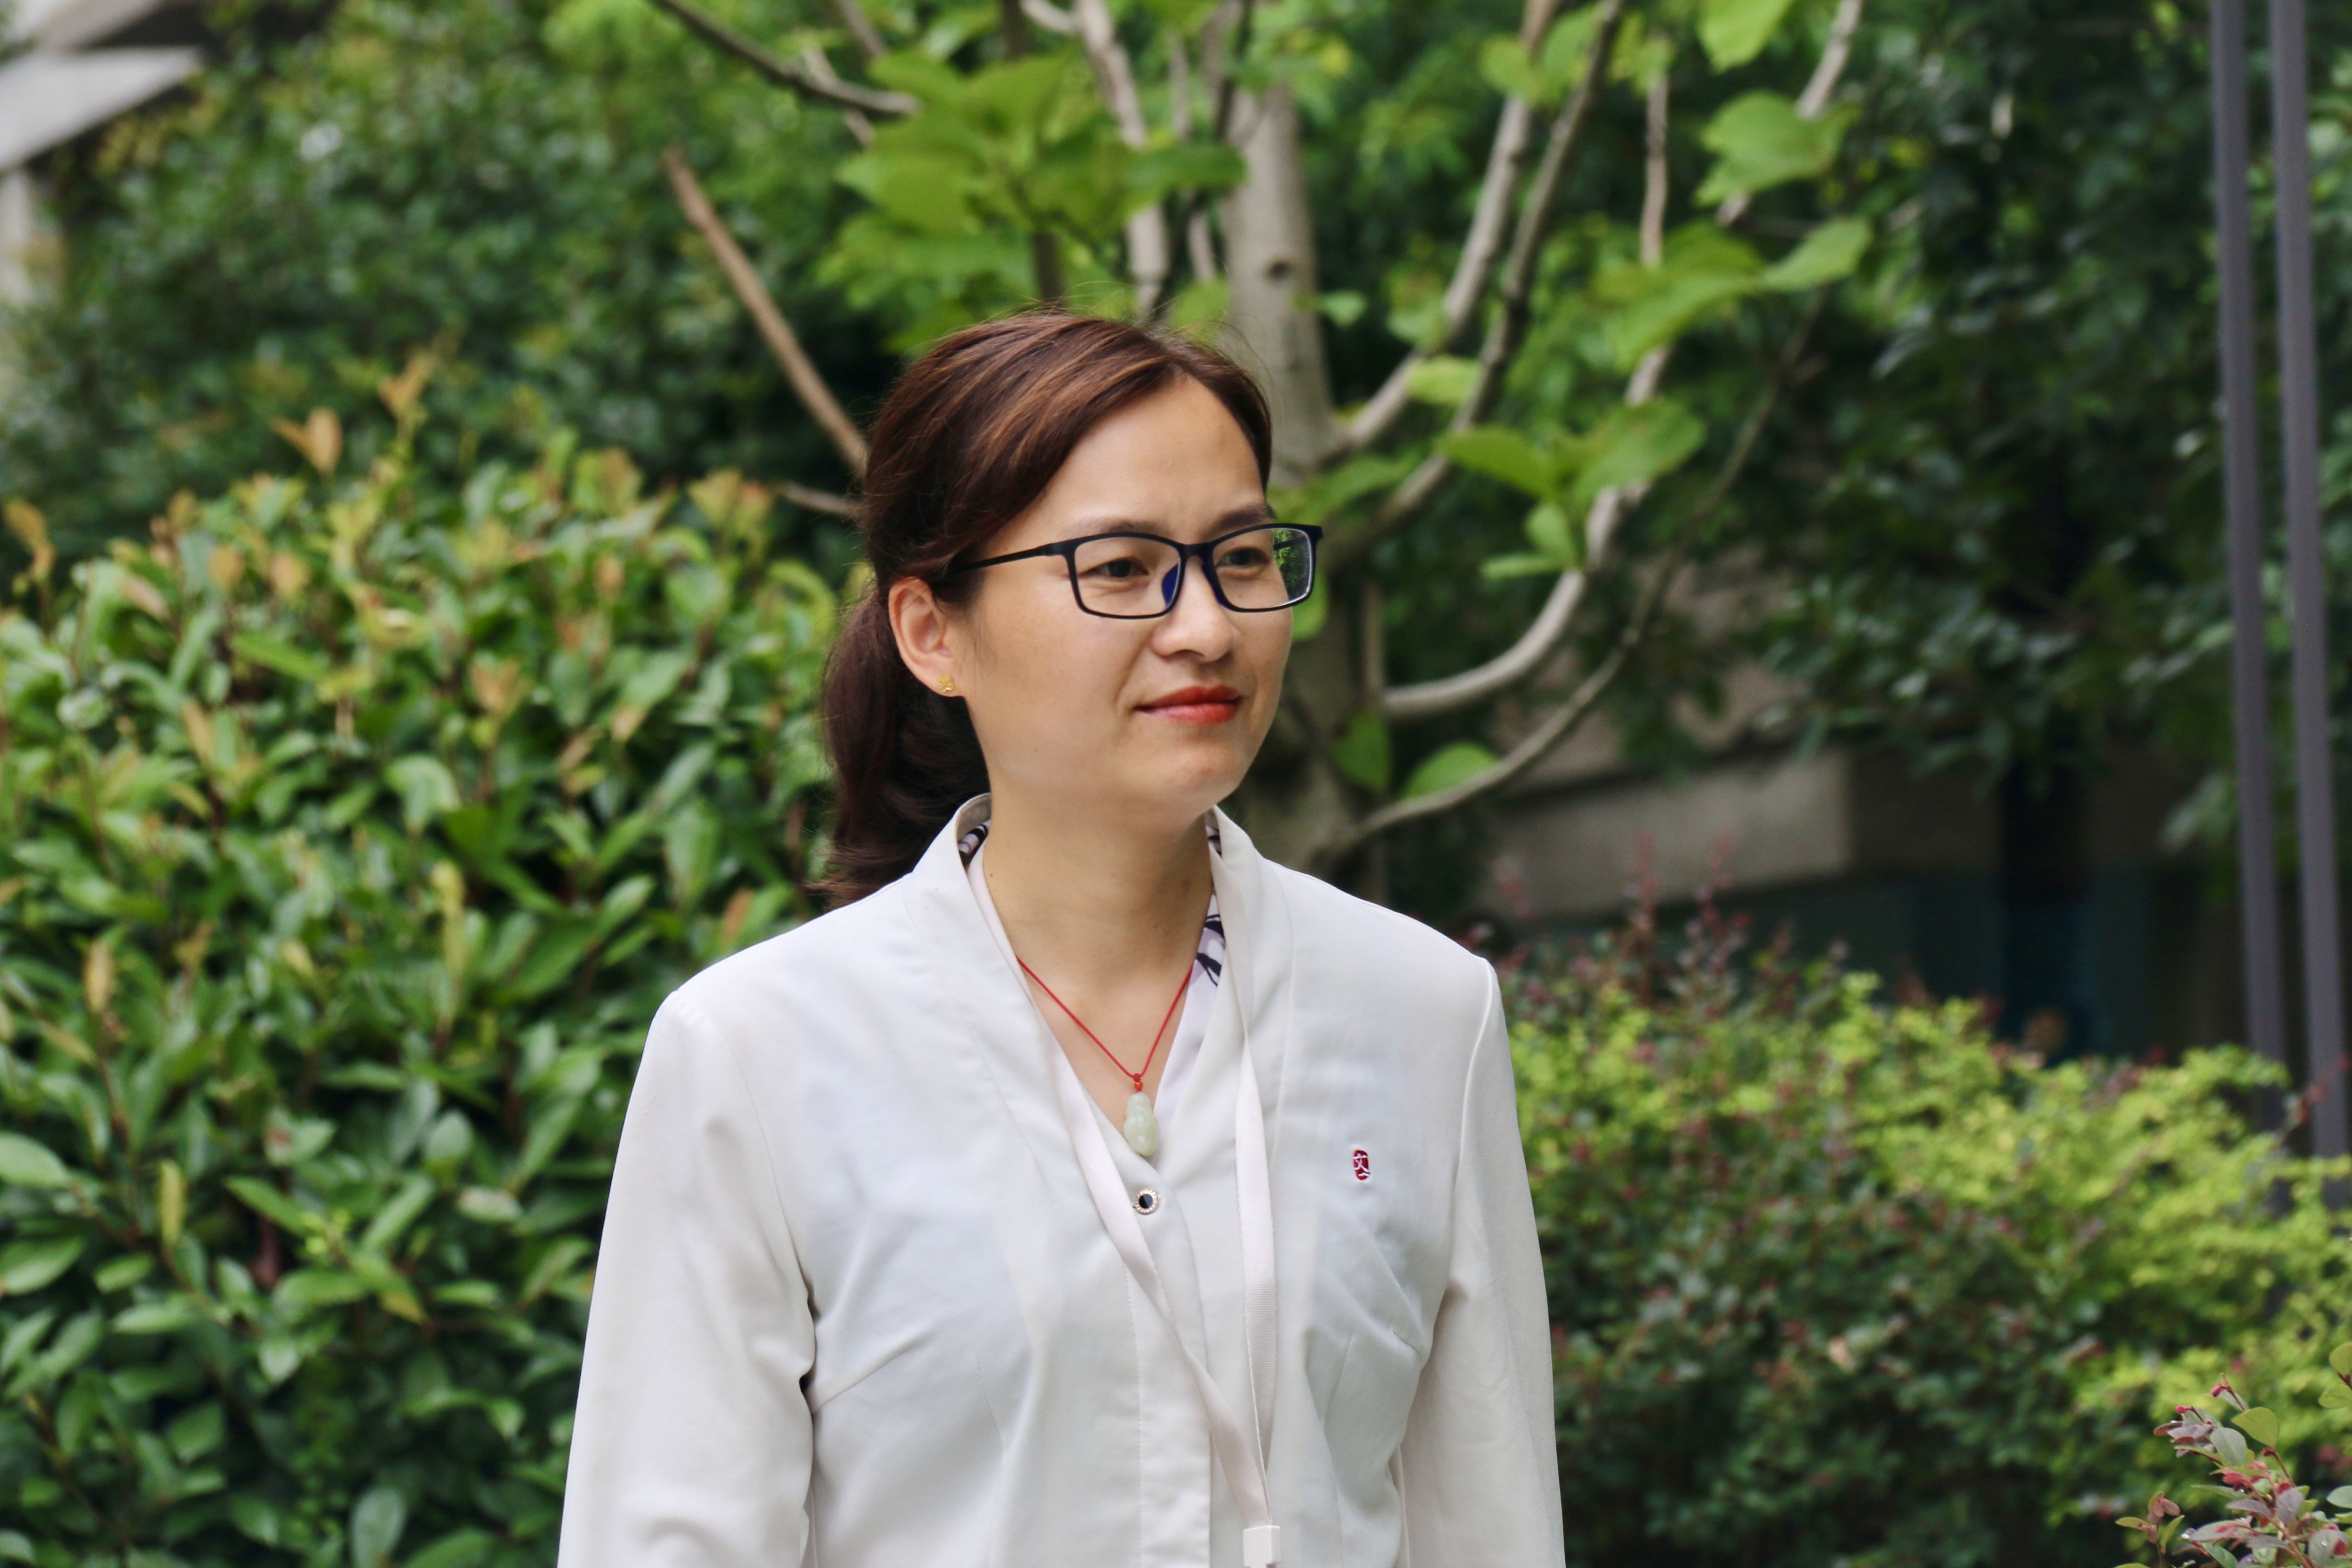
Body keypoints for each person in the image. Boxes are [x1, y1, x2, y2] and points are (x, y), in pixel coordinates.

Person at [556, 311, 1562, 1568]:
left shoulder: (1421, 1011)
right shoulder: (758, 1054)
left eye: (1241, 556)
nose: (1205, 625)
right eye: (1122, 566)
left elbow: (1491, 1523)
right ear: (932, 631)